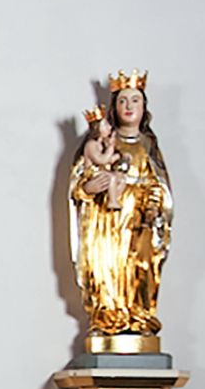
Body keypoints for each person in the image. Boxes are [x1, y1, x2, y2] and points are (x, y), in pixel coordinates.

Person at [69, 75, 172, 338]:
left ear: (144, 107)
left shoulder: (148, 146)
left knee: (138, 268)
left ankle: (138, 317)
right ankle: (106, 318)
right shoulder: (99, 143)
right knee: (105, 267)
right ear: (114, 107)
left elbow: (159, 184)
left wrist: (153, 204)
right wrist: (89, 188)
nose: (128, 106)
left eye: (135, 100)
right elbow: (79, 182)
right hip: (105, 222)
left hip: (137, 221)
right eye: (123, 101)